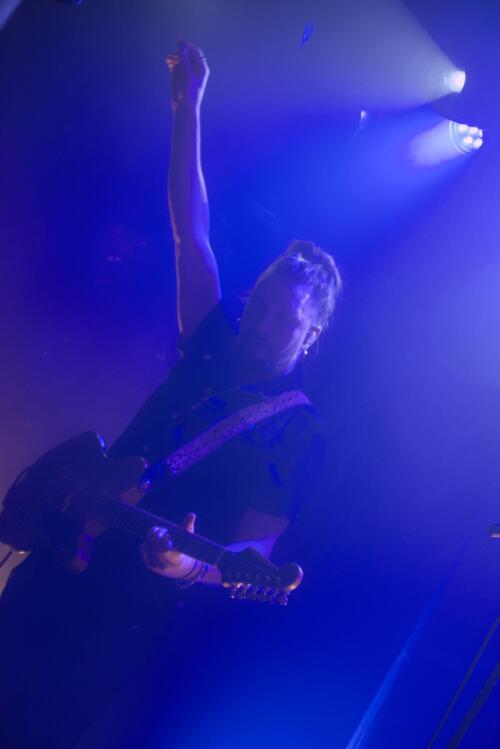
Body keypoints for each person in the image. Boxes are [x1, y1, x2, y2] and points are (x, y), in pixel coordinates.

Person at [0, 41, 341, 748]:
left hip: (119, 612)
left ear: (311, 336)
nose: (264, 326)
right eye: (262, 305)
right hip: (62, 550)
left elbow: (253, 548)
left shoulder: (300, 431)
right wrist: (189, 105)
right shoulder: (214, 343)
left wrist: (183, 562)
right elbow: (191, 232)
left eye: (285, 320)